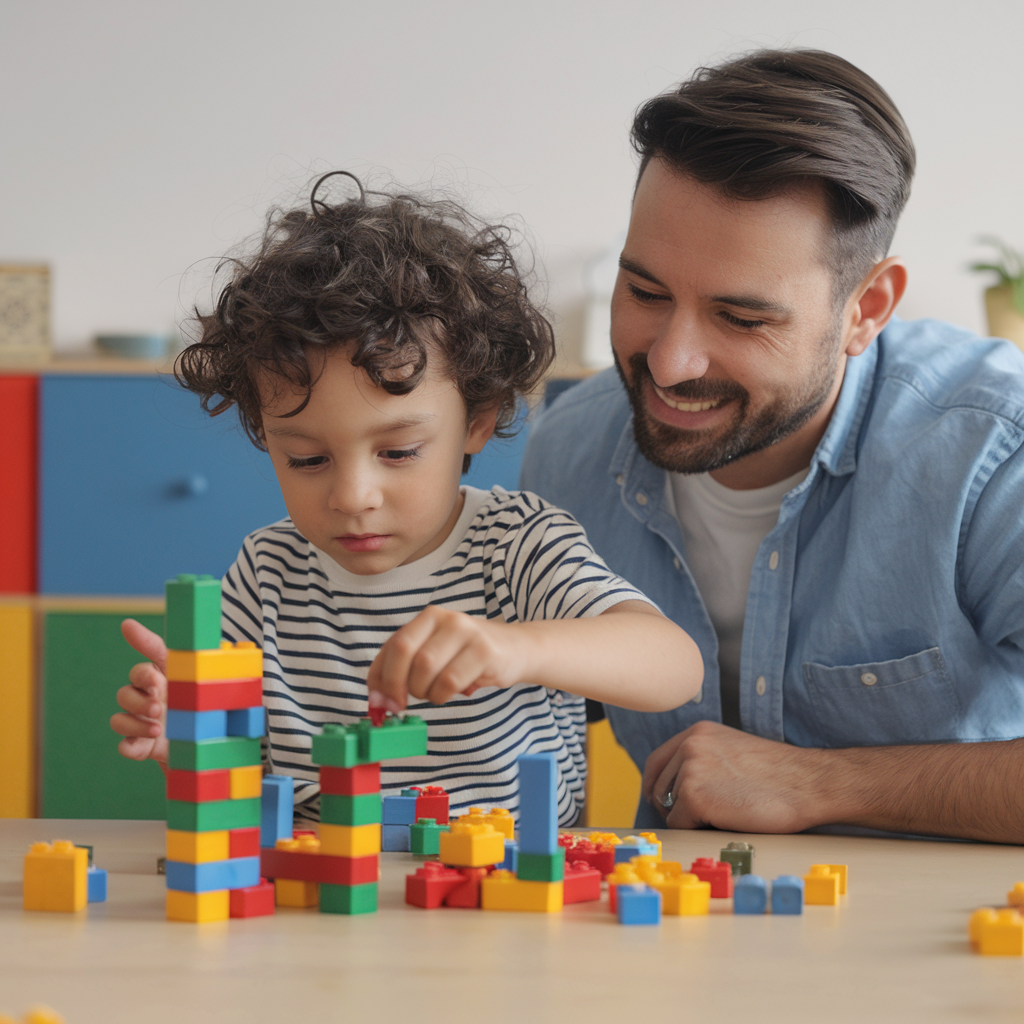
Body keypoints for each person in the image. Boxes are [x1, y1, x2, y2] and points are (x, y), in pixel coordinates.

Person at [521, 49, 1024, 844]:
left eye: (742, 318)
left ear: (867, 308)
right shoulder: (567, 453)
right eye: (645, 292)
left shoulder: (993, 453)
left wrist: (821, 782)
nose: (670, 362)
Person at [110, 174, 703, 825]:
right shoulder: (267, 574)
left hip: (504, 894)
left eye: (397, 453)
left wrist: (520, 648)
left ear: (478, 418)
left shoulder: (519, 546)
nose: (353, 496)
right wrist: (187, 740)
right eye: (307, 459)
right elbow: (240, 785)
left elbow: (673, 669)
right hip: (325, 894)